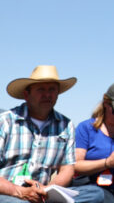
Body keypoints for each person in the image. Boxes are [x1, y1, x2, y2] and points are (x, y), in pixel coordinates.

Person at [0, 66, 104, 203]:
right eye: (41, 89)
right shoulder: (6, 121)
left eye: (52, 90)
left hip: (42, 194)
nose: (47, 95)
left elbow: (67, 169)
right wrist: (19, 191)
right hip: (8, 192)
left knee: (95, 194)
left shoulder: (65, 125)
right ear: (27, 94)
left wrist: (48, 190)